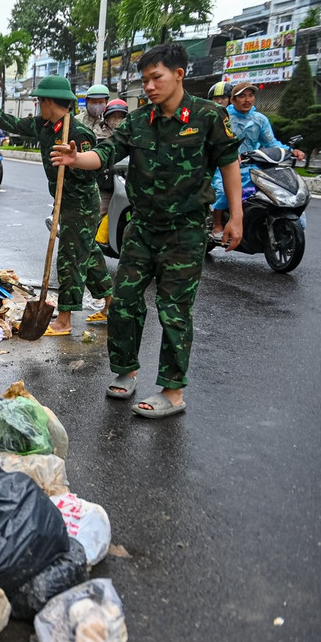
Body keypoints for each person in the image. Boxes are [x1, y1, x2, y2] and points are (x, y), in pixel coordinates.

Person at [49, 43, 243, 420]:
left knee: (174, 310)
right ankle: (127, 369)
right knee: (123, 303)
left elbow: (229, 162)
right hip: (141, 228)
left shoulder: (207, 116)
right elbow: (105, 154)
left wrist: (235, 215)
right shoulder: (139, 121)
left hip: (184, 231)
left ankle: (172, 391)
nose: (150, 86)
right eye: (145, 80)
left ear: (179, 75)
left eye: (157, 78)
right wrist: (76, 159)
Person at [0, 76, 112, 336]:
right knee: (88, 252)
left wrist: (72, 162)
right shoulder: (45, 125)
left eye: (40, 100)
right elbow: (14, 123)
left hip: (81, 203)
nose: (38, 105)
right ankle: (110, 302)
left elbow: (90, 172)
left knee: (71, 258)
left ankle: (64, 319)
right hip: (64, 201)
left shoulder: (78, 133)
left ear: (50, 101)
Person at [209, 80, 305, 237]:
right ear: (233, 100)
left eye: (251, 95)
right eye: (242, 96)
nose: (247, 100)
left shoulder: (260, 119)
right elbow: (215, 142)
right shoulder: (224, 118)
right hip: (225, 165)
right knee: (223, 189)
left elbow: (270, 142)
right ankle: (217, 224)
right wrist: (228, 155)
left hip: (253, 164)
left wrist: (291, 151)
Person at [95, 99, 130, 222]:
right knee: (102, 211)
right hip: (107, 184)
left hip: (127, 183)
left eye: (120, 117)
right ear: (107, 119)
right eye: (113, 117)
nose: (117, 121)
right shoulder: (99, 136)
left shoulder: (132, 135)